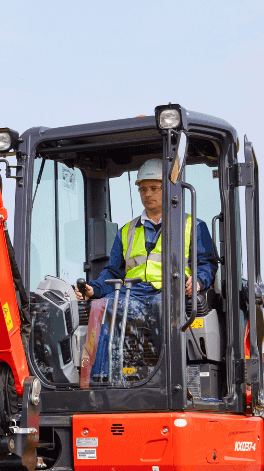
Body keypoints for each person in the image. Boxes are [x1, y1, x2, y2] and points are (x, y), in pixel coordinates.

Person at [74, 158, 218, 384]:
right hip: (135, 293)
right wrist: (96, 289)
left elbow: (207, 263)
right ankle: (100, 381)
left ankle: (167, 379)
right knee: (102, 307)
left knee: (165, 308)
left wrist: (198, 280)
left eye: (153, 188)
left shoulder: (193, 225)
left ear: (170, 189)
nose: (147, 194)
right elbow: (112, 271)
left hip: (170, 290)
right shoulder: (127, 231)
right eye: (142, 189)